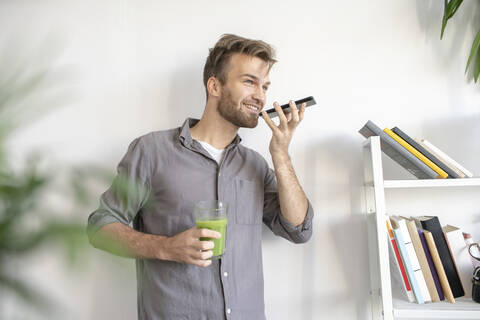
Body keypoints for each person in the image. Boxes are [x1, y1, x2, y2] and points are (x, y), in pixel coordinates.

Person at [87, 34, 314, 320]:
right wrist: (167, 247)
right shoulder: (151, 151)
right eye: (249, 82)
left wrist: (281, 156)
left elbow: (298, 230)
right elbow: (100, 227)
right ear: (215, 85)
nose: (261, 96)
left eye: (265, 86)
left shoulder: (255, 165)